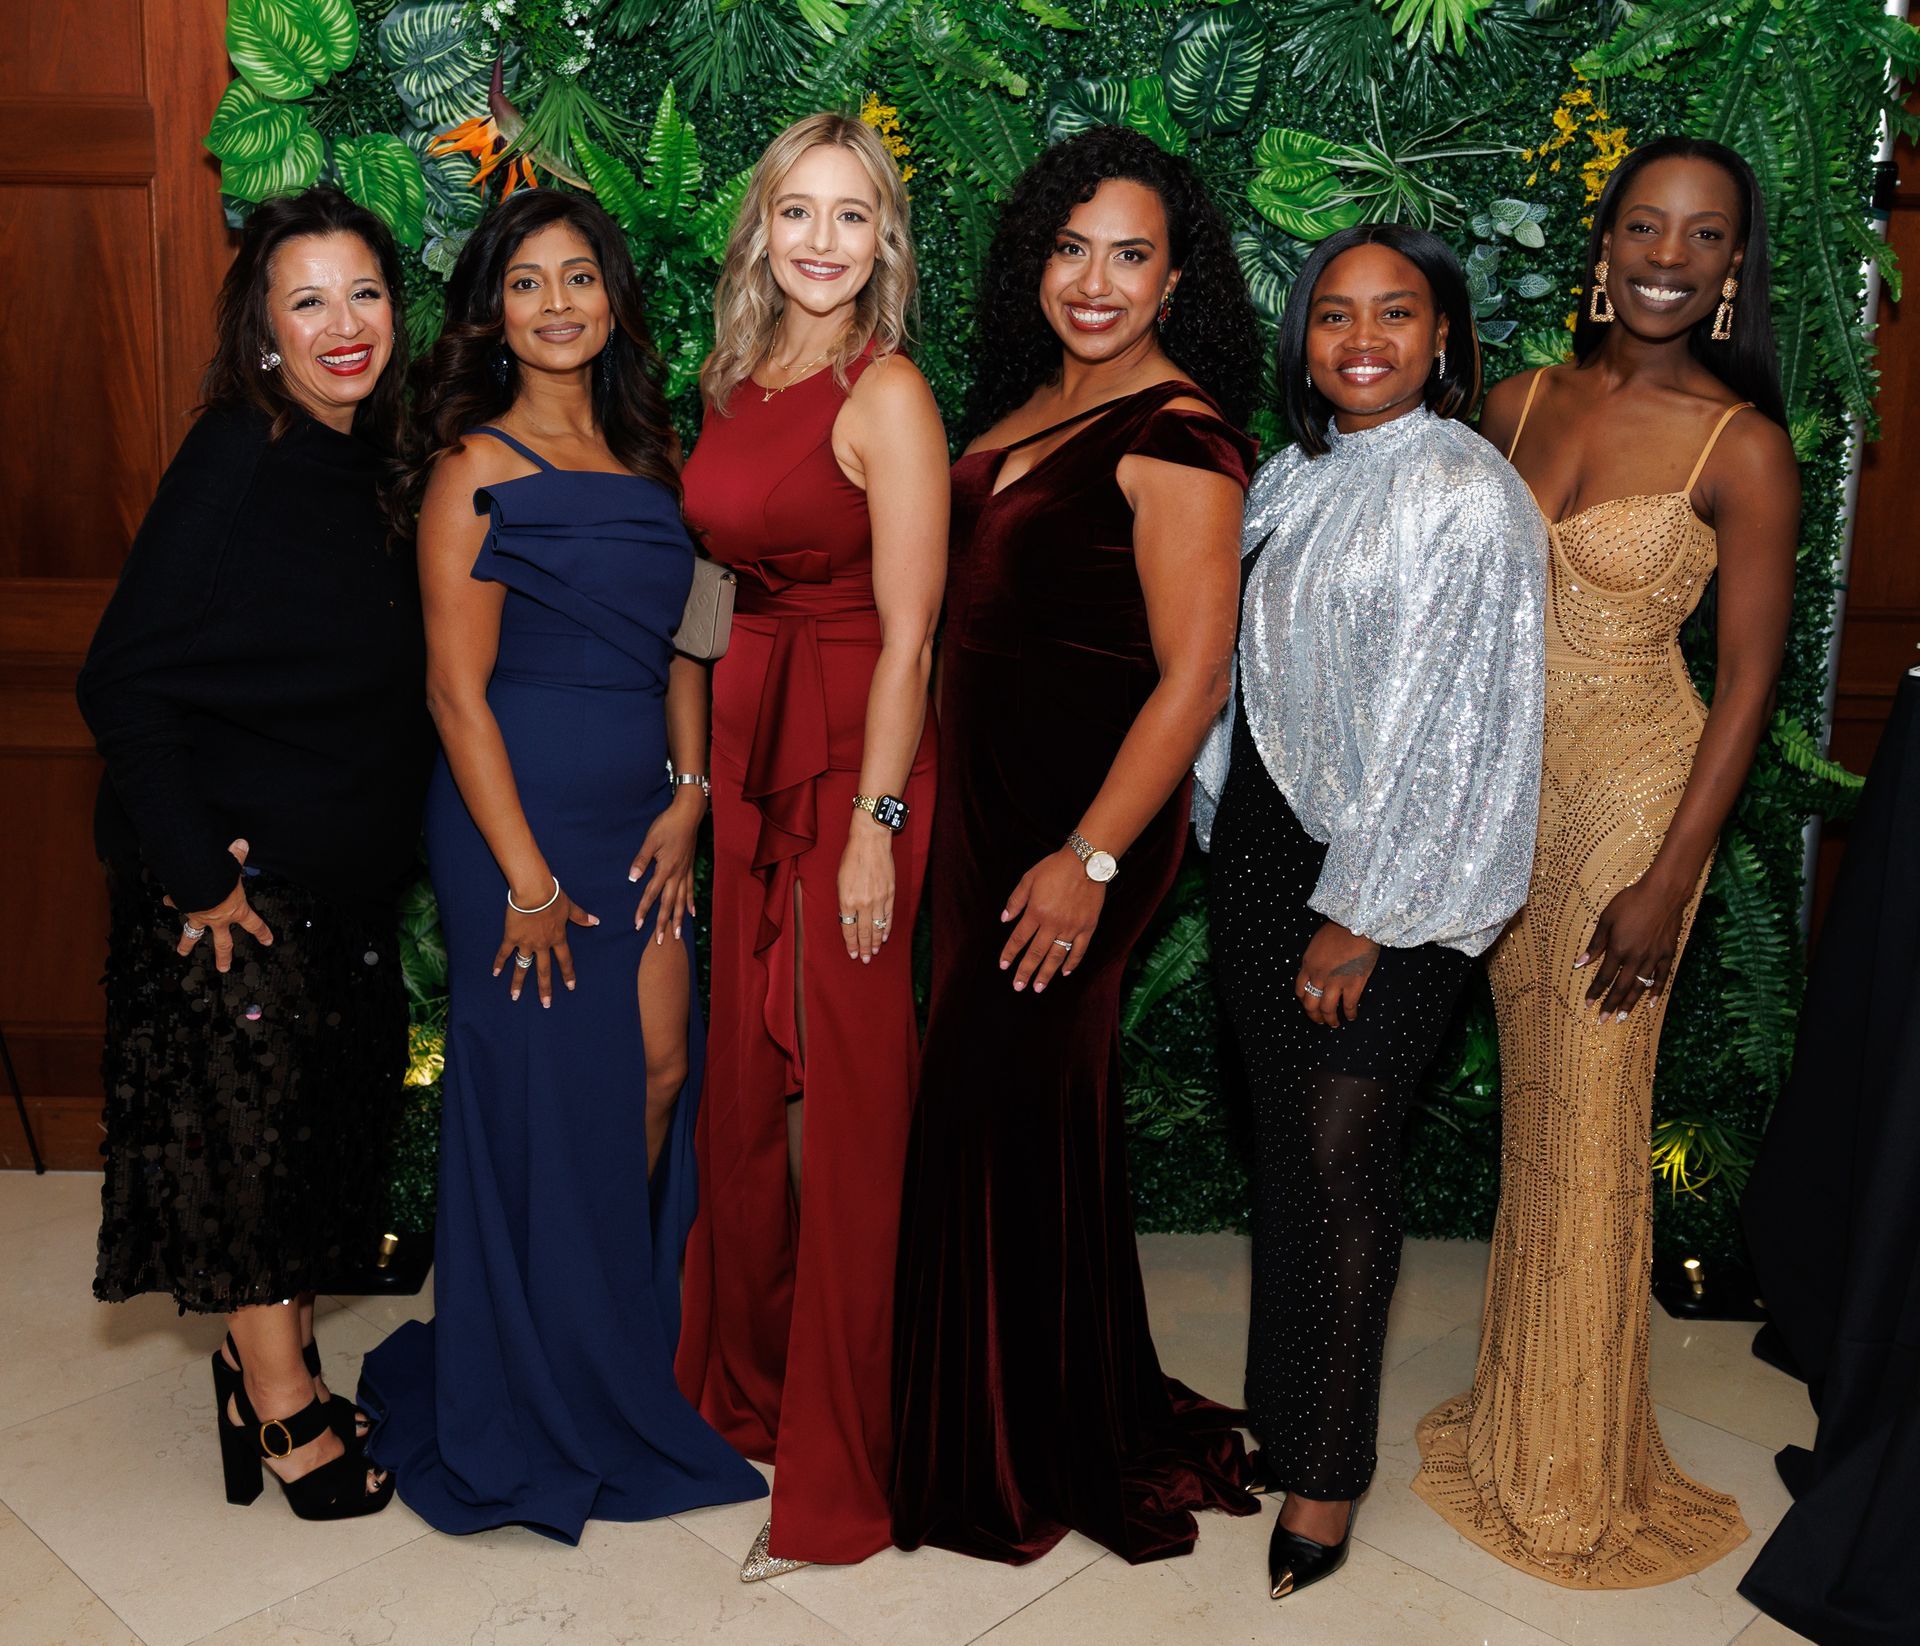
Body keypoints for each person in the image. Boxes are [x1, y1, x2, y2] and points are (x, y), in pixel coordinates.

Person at [1413, 135, 1799, 1588]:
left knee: (1590, 1113)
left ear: (1733, 267)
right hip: (1506, 804)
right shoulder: (1516, 401)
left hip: (1640, 805)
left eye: (1703, 236)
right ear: (1605, 242)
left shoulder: (1737, 446)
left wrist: (1669, 880)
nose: (1667, 257)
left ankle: (1571, 1478)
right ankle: (1525, 1413)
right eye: (1645, 225)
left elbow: (1748, 684)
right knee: (1537, 1115)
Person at [356, 188, 766, 1540]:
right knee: (540, 1096)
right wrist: (526, 879)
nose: (555, 304)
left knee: (656, 1071)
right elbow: (453, 691)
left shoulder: (654, 458)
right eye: (525, 282)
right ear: (493, 310)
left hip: (641, 817)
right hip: (512, 828)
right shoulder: (471, 467)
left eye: (577, 277)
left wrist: (691, 796)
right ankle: (532, 1375)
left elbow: (689, 645)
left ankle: (605, 1342)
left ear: (612, 298)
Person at [890, 126, 1262, 1566]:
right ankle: (1015, 1404)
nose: (1095, 282)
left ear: (1176, 279)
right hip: (983, 816)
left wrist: (1092, 859)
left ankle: (1016, 1446)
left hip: (1077, 828)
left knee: (1007, 1110)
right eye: (1070, 248)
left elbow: (1196, 676)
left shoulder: (1180, 435)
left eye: (1130, 255)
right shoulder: (1030, 403)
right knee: (1006, 1120)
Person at [1196, 223, 1547, 1600]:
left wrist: (1366, 910)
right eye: (1334, 313)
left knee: (1343, 1150)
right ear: (1304, 340)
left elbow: (1459, 727)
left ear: (1443, 335)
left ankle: (1328, 1471)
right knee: (1288, 1148)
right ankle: (1285, 1414)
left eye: (1394, 312)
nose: (1362, 338)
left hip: (1394, 868)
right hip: (1266, 843)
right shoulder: (1295, 472)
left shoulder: (1466, 491)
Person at [77, 187, 432, 1519]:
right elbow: (120, 679)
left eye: (365, 293)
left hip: (336, 881)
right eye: (309, 300)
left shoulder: (368, 453)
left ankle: (258, 1368)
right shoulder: (237, 452)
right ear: (264, 331)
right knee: (254, 1154)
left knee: (305, 1141)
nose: (345, 325)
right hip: (242, 893)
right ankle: (283, 1412)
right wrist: (197, 871)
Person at [674, 111, 946, 1578]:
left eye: (852, 216)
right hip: (747, 748)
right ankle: (757, 1379)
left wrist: (874, 831)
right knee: (745, 1073)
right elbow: (715, 583)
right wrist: (692, 769)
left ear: (883, 238)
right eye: (798, 213)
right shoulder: (736, 375)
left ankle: (855, 1432)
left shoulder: (884, 391)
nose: (823, 242)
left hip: (854, 755)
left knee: (847, 1095)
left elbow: (911, 638)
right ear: (762, 230)